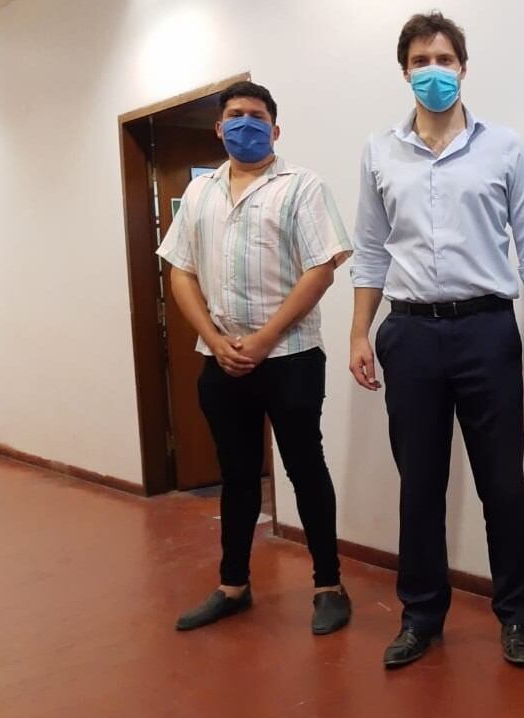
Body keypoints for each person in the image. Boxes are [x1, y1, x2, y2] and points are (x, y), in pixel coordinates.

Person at [348, 11, 524, 668]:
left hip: (488, 330)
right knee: (419, 486)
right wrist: (360, 330)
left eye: (444, 59)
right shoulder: (380, 151)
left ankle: (519, 617)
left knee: (503, 484)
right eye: (420, 61)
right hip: (409, 334)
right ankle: (421, 616)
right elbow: (371, 250)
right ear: (404, 71)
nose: (432, 71)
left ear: (463, 67)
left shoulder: (505, 148)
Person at [159, 80, 354, 635]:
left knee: (305, 469)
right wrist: (215, 340)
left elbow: (322, 268)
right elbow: (181, 271)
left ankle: (328, 585)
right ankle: (233, 586)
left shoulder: (301, 187)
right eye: (235, 116)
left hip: (290, 357)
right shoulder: (200, 193)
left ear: (275, 127)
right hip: (220, 360)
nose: (246, 123)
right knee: (238, 474)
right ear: (219, 128)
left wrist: (266, 338)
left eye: (257, 115)